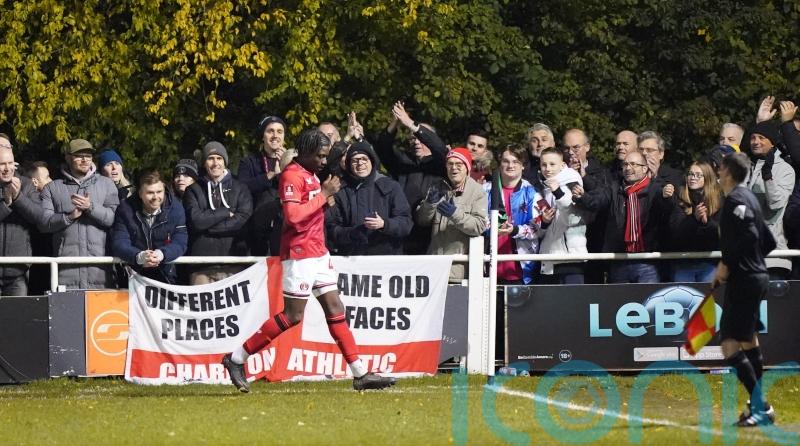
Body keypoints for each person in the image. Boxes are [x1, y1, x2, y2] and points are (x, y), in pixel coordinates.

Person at [221, 129, 395, 392]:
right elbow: (292, 216)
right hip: (300, 254)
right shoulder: (291, 175)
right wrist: (323, 196)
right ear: (304, 153)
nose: (324, 162)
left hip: (318, 252)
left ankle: (360, 373)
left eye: (325, 156)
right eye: (320, 156)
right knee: (293, 316)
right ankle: (236, 358)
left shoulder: (310, 173)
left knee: (336, 308)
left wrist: (324, 200)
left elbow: (312, 206)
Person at [712, 152, 776, 427]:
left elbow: (750, 235)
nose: (717, 170)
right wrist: (753, 264)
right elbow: (769, 240)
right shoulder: (746, 197)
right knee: (748, 339)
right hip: (753, 277)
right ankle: (759, 405)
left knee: (728, 344)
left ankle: (761, 408)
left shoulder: (737, 200)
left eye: (720, 166)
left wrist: (726, 265)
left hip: (745, 280)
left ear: (726, 171)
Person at [573, 151, 671, 283]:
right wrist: (582, 197)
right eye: (625, 165)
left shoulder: (656, 190)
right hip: (619, 261)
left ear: (644, 168)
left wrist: (666, 198)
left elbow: (667, 213)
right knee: (618, 302)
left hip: (648, 262)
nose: (628, 168)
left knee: (648, 302)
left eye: (633, 164)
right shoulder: (614, 188)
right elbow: (597, 201)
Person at [39, 139, 120, 290]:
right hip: (64, 274)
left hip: (102, 273)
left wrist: (90, 207)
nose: (85, 160)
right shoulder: (52, 188)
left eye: (88, 156)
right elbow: (43, 223)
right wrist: (68, 217)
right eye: (79, 156)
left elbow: (113, 219)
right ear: (68, 158)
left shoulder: (107, 184)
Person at [374, 101, 448, 254]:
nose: (416, 142)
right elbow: (382, 147)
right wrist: (395, 123)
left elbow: (439, 148)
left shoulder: (441, 164)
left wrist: (411, 124)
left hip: (430, 234)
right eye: (413, 138)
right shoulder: (402, 161)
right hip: (401, 231)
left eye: (421, 138)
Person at [325, 140, 412, 255]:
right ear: (348, 164)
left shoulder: (390, 186)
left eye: (364, 159)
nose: (360, 163)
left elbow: (406, 222)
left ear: (372, 161)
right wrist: (351, 234)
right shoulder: (340, 190)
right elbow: (332, 227)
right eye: (355, 160)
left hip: (387, 259)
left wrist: (384, 224)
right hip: (353, 259)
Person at [183, 141, 253, 284]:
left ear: (225, 161)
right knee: (199, 307)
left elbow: (243, 220)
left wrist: (207, 226)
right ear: (204, 163)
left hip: (235, 264)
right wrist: (225, 212)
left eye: (219, 158)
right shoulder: (193, 190)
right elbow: (195, 221)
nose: (215, 163)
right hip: (201, 266)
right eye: (210, 158)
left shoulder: (241, 188)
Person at [415, 148, 488, 282]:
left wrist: (454, 214)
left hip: (458, 271)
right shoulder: (437, 186)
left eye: (459, 165)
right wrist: (429, 204)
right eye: (450, 164)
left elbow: (479, 226)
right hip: (434, 268)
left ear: (467, 168)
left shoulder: (477, 192)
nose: (454, 168)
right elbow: (422, 221)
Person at [111, 170, 188, 284]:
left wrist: (162, 254)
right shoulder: (125, 209)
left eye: (159, 191)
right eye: (150, 192)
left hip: (167, 276)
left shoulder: (176, 208)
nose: (155, 197)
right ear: (140, 193)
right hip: (133, 276)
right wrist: (138, 256)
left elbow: (180, 241)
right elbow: (119, 241)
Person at [482, 144, 541, 284]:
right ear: (500, 163)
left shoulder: (531, 192)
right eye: (506, 161)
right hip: (488, 266)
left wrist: (514, 230)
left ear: (523, 166)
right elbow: (477, 221)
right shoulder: (484, 190)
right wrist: (492, 227)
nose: (510, 165)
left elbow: (537, 229)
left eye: (516, 162)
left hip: (521, 269)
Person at [744, 120, 794, 279]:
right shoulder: (747, 167)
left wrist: (768, 177)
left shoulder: (785, 169)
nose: (756, 142)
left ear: (772, 142)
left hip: (773, 258)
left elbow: (776, 204)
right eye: (753, 138)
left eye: (761, 138)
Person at [238, 115, 288, 256]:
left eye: (279, 132)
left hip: (286, 232)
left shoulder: (295, 161)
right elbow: (241, 189)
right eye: (270, 131)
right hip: (256, 233)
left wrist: (288, 167)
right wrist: (271, 175)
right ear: (262, 136)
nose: (275, 136)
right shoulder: (249, 162)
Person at [537, 147, 587, 284]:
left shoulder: (572, 181)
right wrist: (545, 222)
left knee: (574, 304)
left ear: (563, 165)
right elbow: (540, 230)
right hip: (549, 258)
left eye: (552, 164)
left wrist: (558, 192)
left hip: (571, 257)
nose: (547, 168)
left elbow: (573, 217)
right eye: (544, 164)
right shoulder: (544, 187)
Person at [0, 137, 42, 296]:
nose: (7, 169)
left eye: (10, 163)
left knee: (17, 319)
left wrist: (18, 198)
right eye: (2, 164)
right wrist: (6, 204)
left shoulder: (26, 184)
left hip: (18, 272)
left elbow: (39, 217)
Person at [669, 161, 722, 282]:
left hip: (709, 264)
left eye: (698, 175)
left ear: (707, 178)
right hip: (683, 264)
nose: (693, 178)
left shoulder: (719, 199)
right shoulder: (677, 197)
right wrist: (694, 219)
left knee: (709, 300)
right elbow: (676, 232)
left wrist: (706, 222)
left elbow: (722, 232)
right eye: (690, 174)